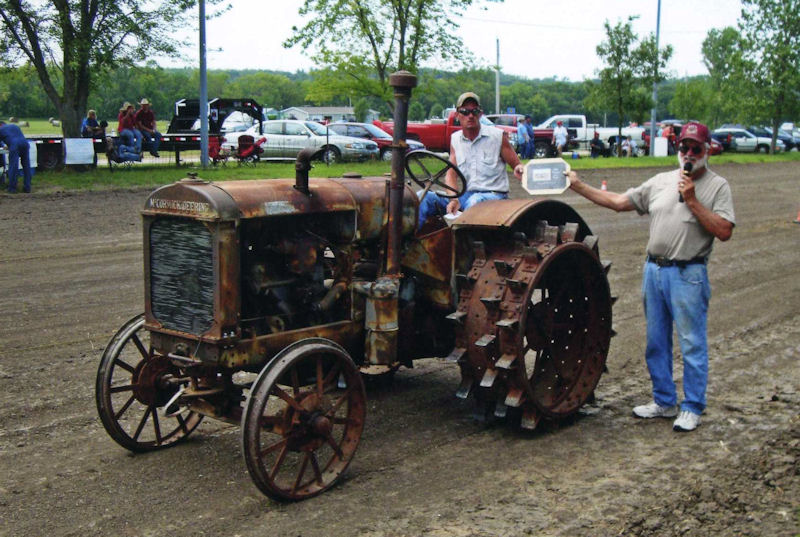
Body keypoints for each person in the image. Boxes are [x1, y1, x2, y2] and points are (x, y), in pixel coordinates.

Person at [566, 121, 735, 432]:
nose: (688, 153)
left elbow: (724, 231)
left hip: (688, 274)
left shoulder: (717, 186)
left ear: (707, 150)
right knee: (656, 342)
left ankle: (693, 406)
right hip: (654, 271)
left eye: (695, 148)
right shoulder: (660, 181)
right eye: (684, 146)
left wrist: (694, 201)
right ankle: (664, 401)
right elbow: (618, 203)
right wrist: (577, 185)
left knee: (691, 344)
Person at [416, 92, 524, 230]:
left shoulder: (497, 136)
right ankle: (407, 242)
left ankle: (463, 248)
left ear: (480, 114)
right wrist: (453, 198)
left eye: (474, 111)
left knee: (474, 202)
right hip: (466, 195)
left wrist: (519, 169)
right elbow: (451, 174)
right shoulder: (455, 139)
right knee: (422, 196)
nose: (470, 115)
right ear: (457, 115)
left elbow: (517, 165)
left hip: (494, 195)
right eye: (465, 111)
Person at [0, 121, 33, 193]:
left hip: (15, 145)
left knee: (13, 166)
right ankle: (27, 187)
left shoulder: (1, 130)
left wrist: (6, 146)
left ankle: (12, 188)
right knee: (26, 166)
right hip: (25, 144)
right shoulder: (14, 126)